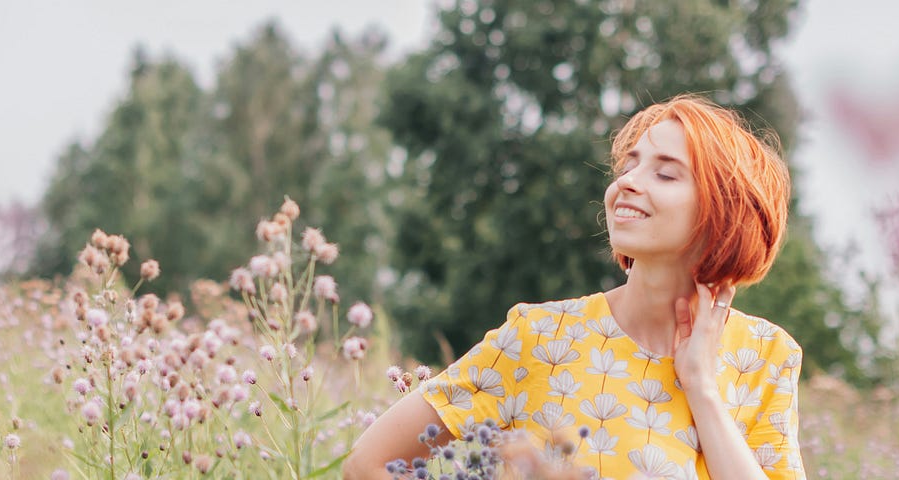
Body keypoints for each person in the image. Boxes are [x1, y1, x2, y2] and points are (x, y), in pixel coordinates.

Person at [344, 94, 804, 480]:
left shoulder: (765, 357)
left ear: (723, 213)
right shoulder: (540, 337)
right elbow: (368, 464)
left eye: (665, 173)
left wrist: (701, 387)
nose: (627, 183)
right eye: (629, 165)